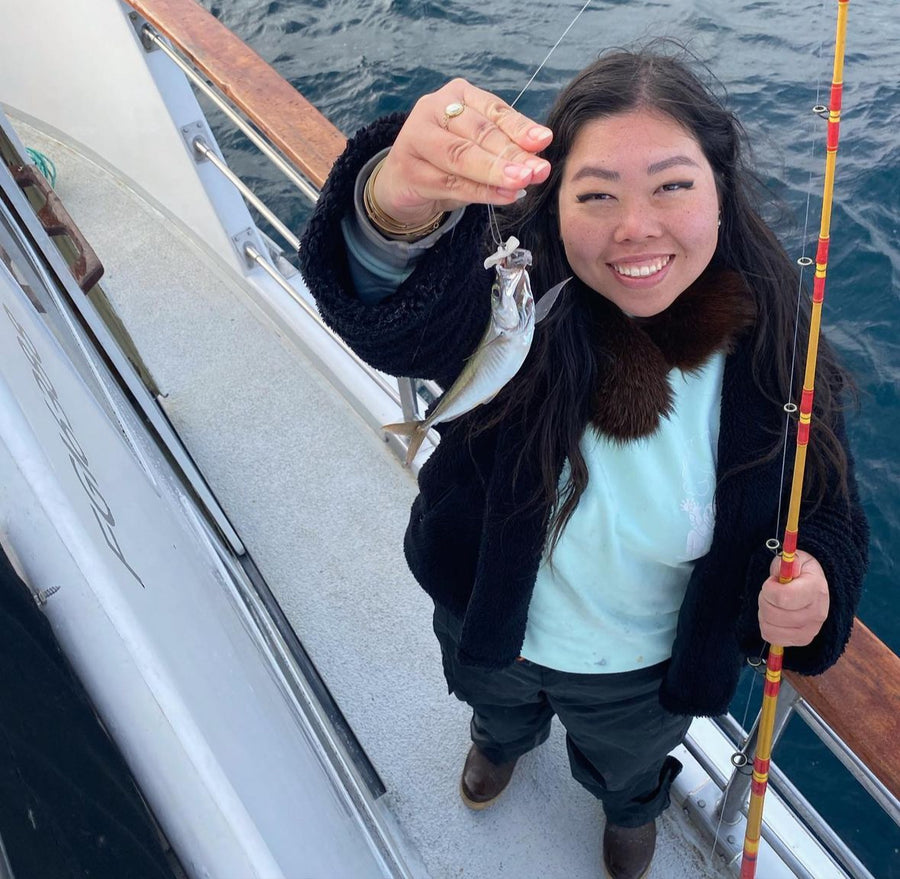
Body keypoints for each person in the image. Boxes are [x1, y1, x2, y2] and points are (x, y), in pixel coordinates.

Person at [298, 48, 869, 879]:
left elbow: (827, 515)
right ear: (552, 201)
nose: (634, 227)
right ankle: (498, 744)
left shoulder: (782, 353)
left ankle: (631, 804)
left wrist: (817, 584)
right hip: (489, 618)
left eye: (671, 185)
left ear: (720, 185)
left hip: (647, 670)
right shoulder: (515, 294)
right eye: (596, 194)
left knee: (629, 762)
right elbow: (398, 313)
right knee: (493, 705)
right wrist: (396, 206)